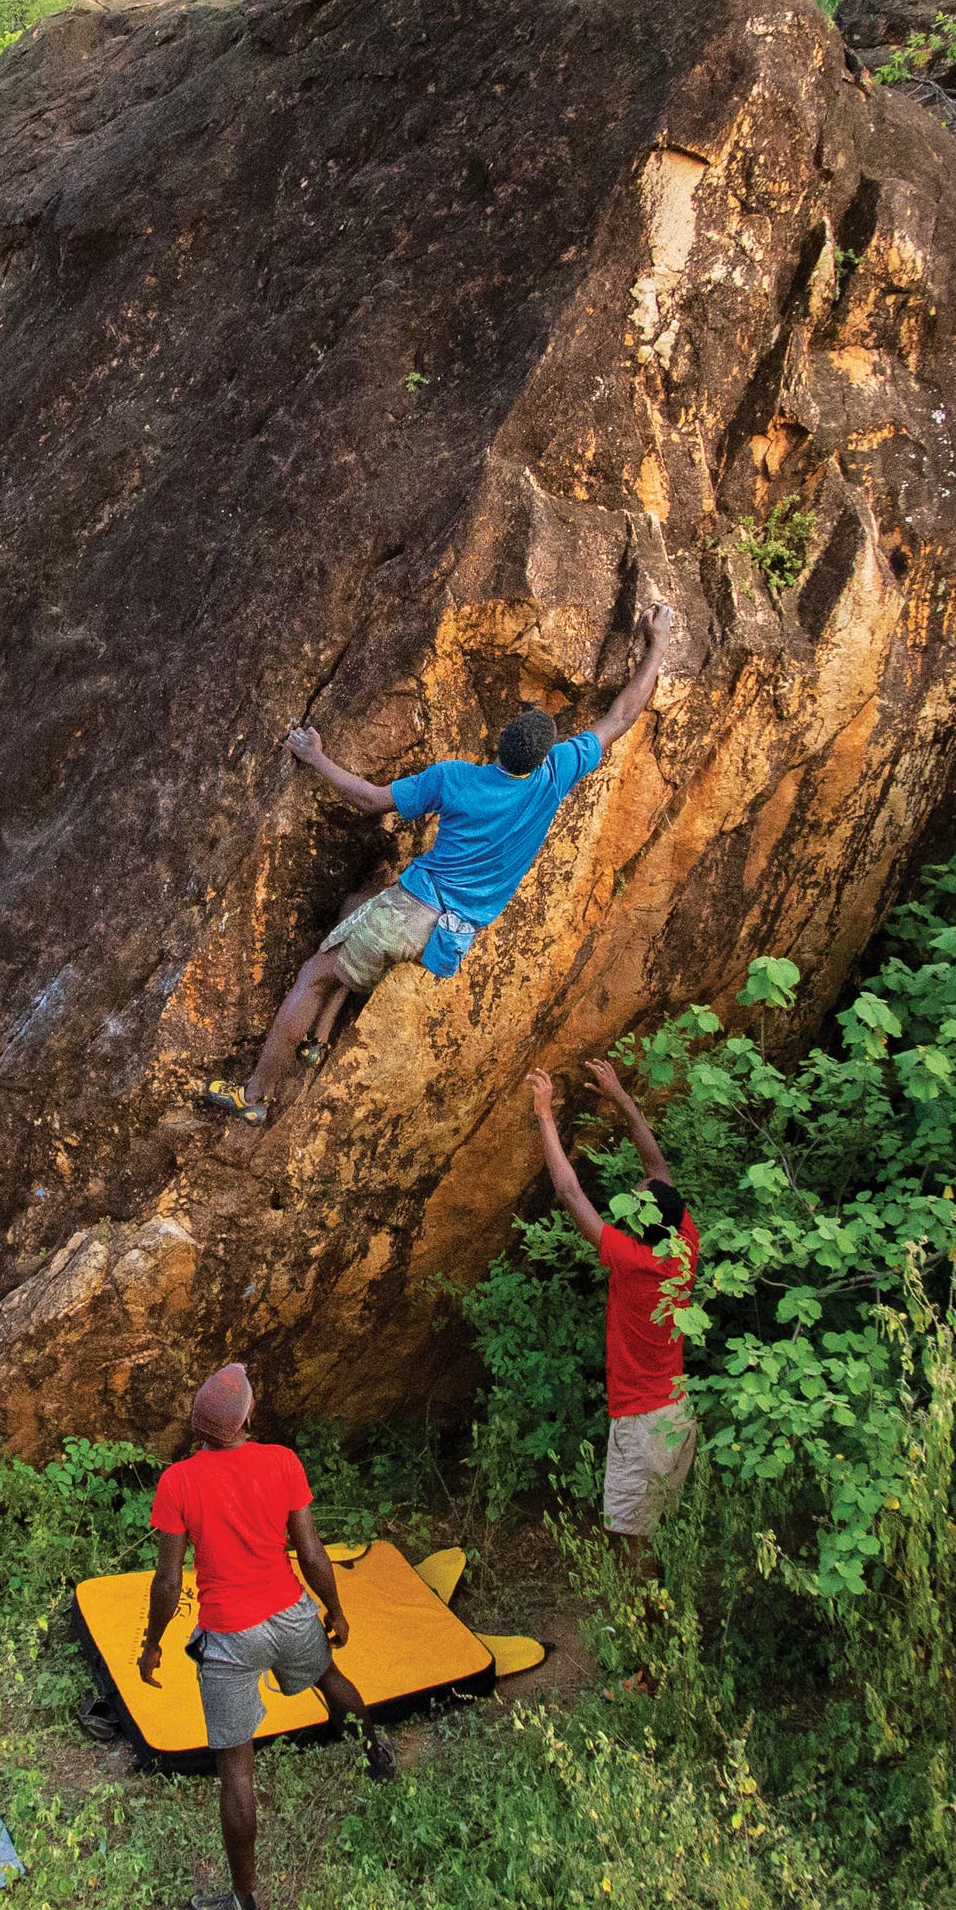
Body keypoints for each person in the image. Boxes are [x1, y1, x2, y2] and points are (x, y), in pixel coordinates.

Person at [201, 601, 683, 1127]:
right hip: (449, 935)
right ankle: (317, 1042)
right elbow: (620, 716)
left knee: (312, 976)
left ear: (500, 744)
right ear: (543, 756)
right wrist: (656, 646)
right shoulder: (557, 774)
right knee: (360, 905)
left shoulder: (455, 779)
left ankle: (254, 1095)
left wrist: (316, 757)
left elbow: (370, 800)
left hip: (411, 911)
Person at [137, 1362, 393, 1910]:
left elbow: (168, 1584)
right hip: (290, 1613)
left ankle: (245, 1906)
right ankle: (375, 1753)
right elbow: (311, 1553)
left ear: (198, 1430)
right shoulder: (282, 1461)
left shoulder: (177, 1482)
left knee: (235, 1766)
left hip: (229, 1634)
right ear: (247, 1419)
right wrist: (336, 1610)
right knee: (331, 1677)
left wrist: (151, 1644)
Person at [529, 1061, 701, 1563]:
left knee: (632, 1542)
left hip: (643, 1422)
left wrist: (544, 1115)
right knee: (657, 1527)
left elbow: (568, 1191)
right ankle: (659, 1618)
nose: (639, 1190)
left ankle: (644, 1628)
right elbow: (659, 1171)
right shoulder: (682, 1245)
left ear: (643, 1225)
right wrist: (621, 1097)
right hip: (677, 1411)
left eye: (638, 1199)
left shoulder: (632, 1262)